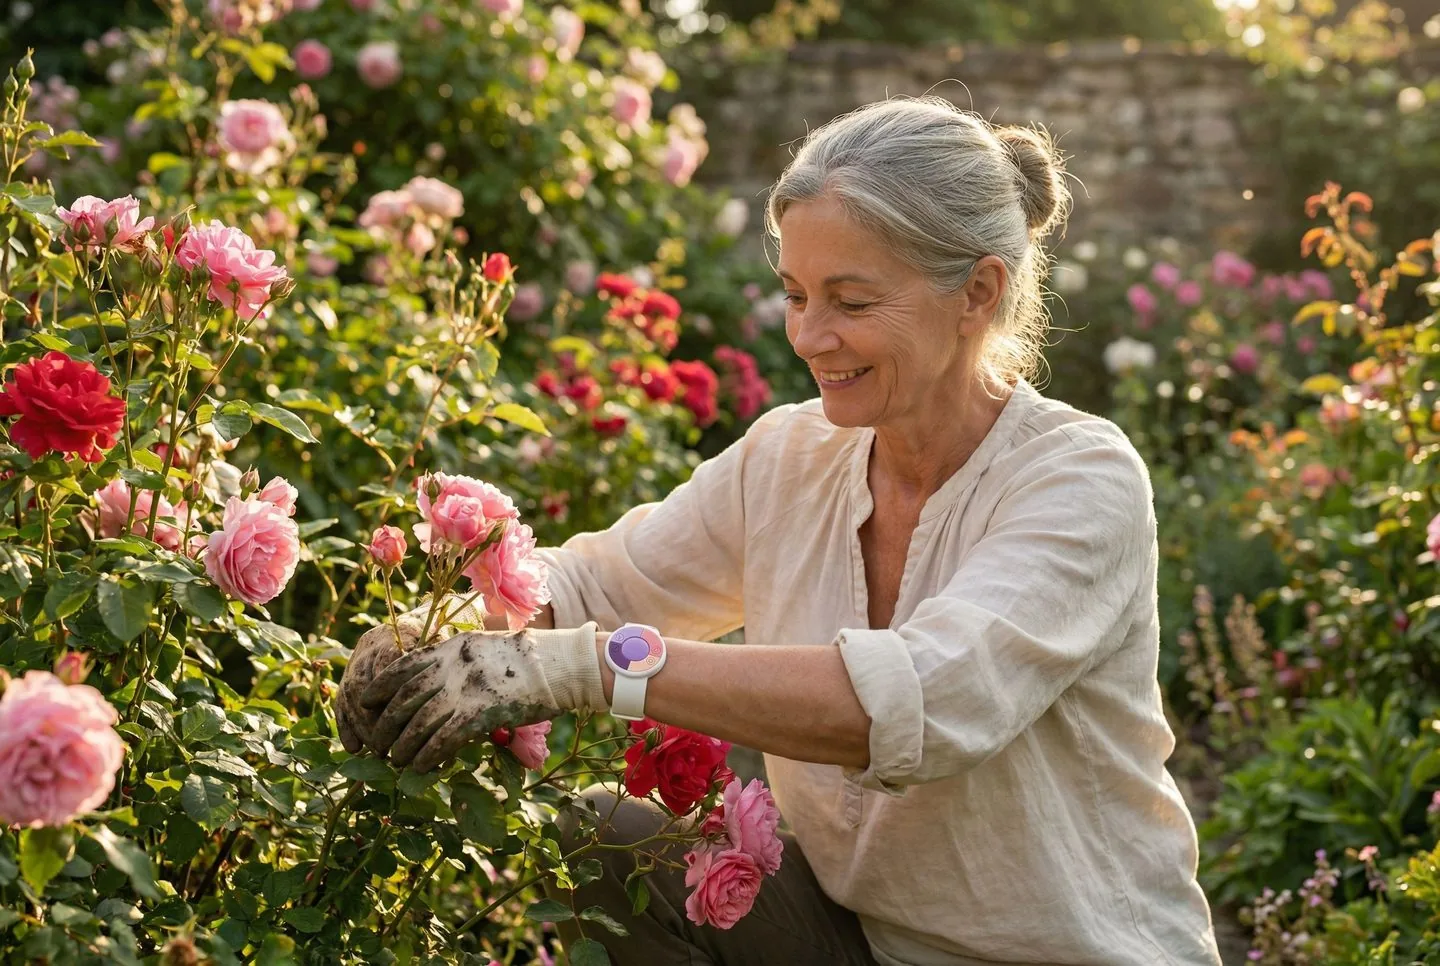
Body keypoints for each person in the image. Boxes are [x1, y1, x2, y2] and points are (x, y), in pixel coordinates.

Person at [337, 96, 1224, 966]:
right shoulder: (792, 457)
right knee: (601, 838)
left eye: (851, 301)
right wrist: (436, 630)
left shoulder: (1078, 479)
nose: (810, 336)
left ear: (979, 292)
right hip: (863, 941)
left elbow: (921, 703)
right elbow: (597, 584)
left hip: (1069, 953)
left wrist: (573, 668)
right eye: (798, 295)